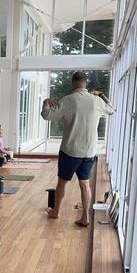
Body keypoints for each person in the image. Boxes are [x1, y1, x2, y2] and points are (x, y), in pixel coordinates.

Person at [42, 70, 114, 227]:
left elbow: (47, 115)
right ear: (85, 83)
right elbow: (111, 109)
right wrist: (101, 94)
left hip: (70, 151)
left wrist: (45, 103)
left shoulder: (67, 100)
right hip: (89, 152)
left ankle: (56, 212)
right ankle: (85, 217)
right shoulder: (96, 101)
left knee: (62, 182)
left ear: (73, 83)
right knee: (84, 183)